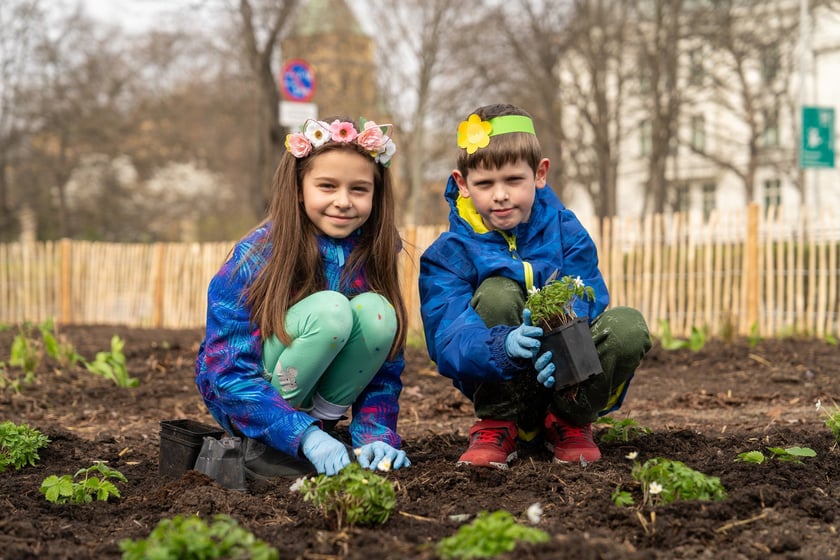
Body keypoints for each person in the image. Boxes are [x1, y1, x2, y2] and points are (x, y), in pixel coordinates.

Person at [419, 104, 651, 469]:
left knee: (628, 327)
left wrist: (555, 342)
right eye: (485, 183)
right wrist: (504, 347)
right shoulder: (450, 254)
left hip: (565, 376)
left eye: (513, 180)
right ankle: (499, 423)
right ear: (462, 184)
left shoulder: (566, 231)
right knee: (498, 291)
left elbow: (587, 294)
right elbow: (448, 338)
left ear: (539, 173)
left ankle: (568, 420)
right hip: (500, 382)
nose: (500, 195)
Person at [196, 116, 410, 479]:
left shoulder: (374, 252)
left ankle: (320, 429)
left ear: (376, 194)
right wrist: (304, 436)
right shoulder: (257, 255)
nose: (343, 201)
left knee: (379, 314)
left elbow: (383, 368)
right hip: (249, 403)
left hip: (320, 405)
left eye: (359, 189)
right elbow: (227, 372)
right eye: (327, 186)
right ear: (298, 188)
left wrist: (377, 435)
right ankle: (274, 442)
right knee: (331, 311)